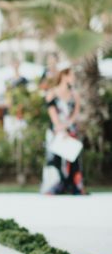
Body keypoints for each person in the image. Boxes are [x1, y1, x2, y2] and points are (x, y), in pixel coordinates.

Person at [40, 63, 85, 195]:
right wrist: (60, 129)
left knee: (72, 158)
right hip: (55, 131)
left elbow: (76, 113)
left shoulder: (74, 94)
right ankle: (54, 186)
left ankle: (73, 186)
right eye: (72, 75)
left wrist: (68, 126)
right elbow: (52, 113)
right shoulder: (52, 93)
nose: (74, 78)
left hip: (71, 131)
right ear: (64, 75)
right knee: (54, 159)